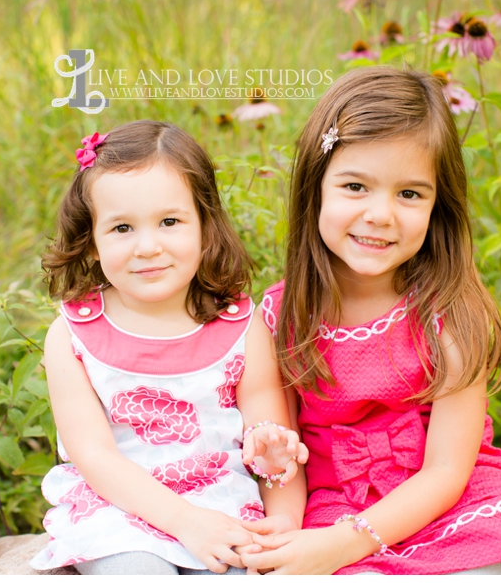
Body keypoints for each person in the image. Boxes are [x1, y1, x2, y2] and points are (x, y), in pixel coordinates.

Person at [238, 67, 501, 575]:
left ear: (438, 206)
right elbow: (281, 449)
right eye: (355, 186)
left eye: (409, 194)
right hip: (334, 507)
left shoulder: (450, 311)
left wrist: (347, 544)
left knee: (480, 567)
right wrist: (289, 530)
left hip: (449, 503)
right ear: (315, 188)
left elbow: (447, 471)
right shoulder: (281, 319)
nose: (381, 214)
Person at [29, 120, 308, 575]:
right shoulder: (73, 335)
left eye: (170, 222)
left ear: (204, 226)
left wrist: (281, 525)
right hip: (120, 511)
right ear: (92, 241)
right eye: (121, 228)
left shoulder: (239, 325)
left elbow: (271, 438)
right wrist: (184, 522)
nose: (148, 246)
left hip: (221, 503)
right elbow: (93, 455)